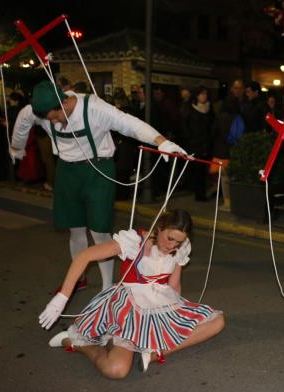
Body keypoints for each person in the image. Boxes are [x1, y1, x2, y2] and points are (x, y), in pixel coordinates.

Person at [10, 80, 186, 292]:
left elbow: (130, 124)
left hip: (98, 170)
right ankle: (79, 277)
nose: (55, 123)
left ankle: (107, 287)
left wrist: (161, 141)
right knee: (75, 229)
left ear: (64, 101)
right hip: (67, 170)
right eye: (49, 120)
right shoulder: (37, 112)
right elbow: (22, 121)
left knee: (100, 231)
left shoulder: (94, 108)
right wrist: (17, 147)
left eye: (56, 116)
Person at [38, 209, 225, 379]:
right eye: (170, 238)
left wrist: (174, 321)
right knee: (116, 370)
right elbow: (84, 256)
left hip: (161, 304)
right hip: (129, 309)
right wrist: (62, 297)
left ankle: (153, 353)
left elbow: (174, 285)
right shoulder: (134, 241)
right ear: (159, 228)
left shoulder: (180, 248)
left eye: (179, 242)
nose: (173, 246)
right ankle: (76, 343)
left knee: (217, 321)